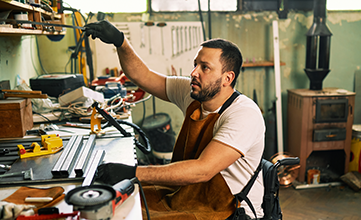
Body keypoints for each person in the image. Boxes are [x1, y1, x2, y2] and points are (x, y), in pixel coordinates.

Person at [85, 20, 266, 220]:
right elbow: (142, 76)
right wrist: (120, 42)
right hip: (188, 193)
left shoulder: (244, 114)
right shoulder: (193, 93)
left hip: (230, 210)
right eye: (195, 64)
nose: (193, 73)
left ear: (227, 78)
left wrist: (133, 171)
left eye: (205, 67)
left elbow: (203, 170)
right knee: (121, 203)